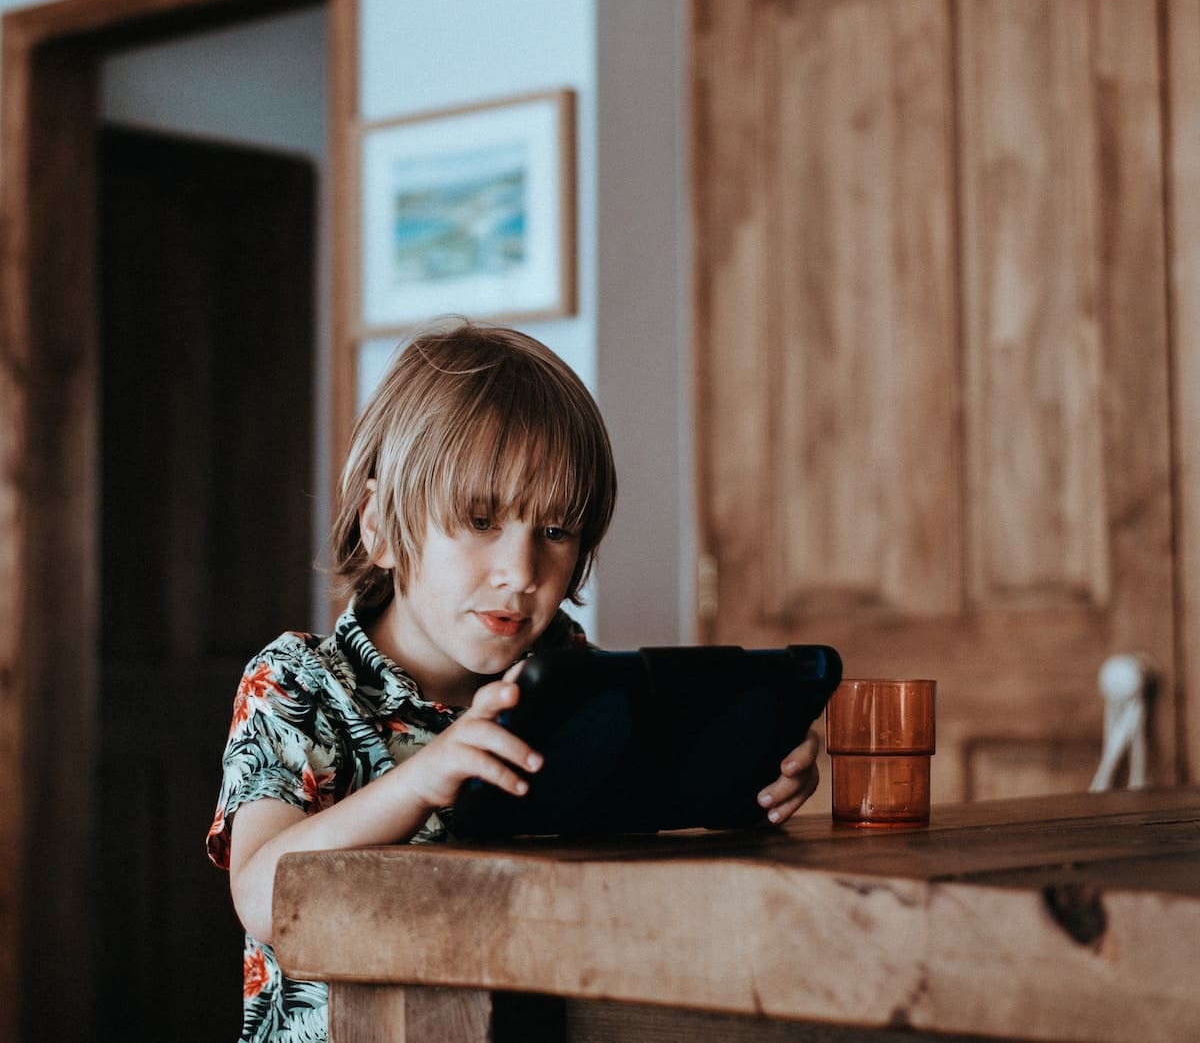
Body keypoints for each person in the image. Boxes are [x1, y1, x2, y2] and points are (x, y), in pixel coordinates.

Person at [207, 319, 821, 1043]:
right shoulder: (299, 683)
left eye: (555, 533)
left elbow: (621, 851)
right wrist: (421, 780)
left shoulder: (566, 678)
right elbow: (259, 894)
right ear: (379, 524)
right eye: (479, 520)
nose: (522, 573)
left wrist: (743, 777)